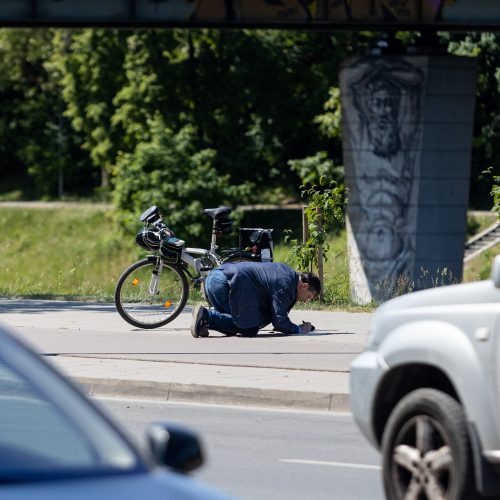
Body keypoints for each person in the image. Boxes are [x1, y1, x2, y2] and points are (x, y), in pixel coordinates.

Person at [190, 261, 320, 338]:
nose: (306, 300)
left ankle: (202, 322)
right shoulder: (286, 286)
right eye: (308, 296)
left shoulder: (286, 273)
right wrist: (299, 329)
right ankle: (206, 316)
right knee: (249, 328)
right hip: (228, 283)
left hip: (215, 277)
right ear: (305, 286)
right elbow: (279, 320)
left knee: (233, 328)